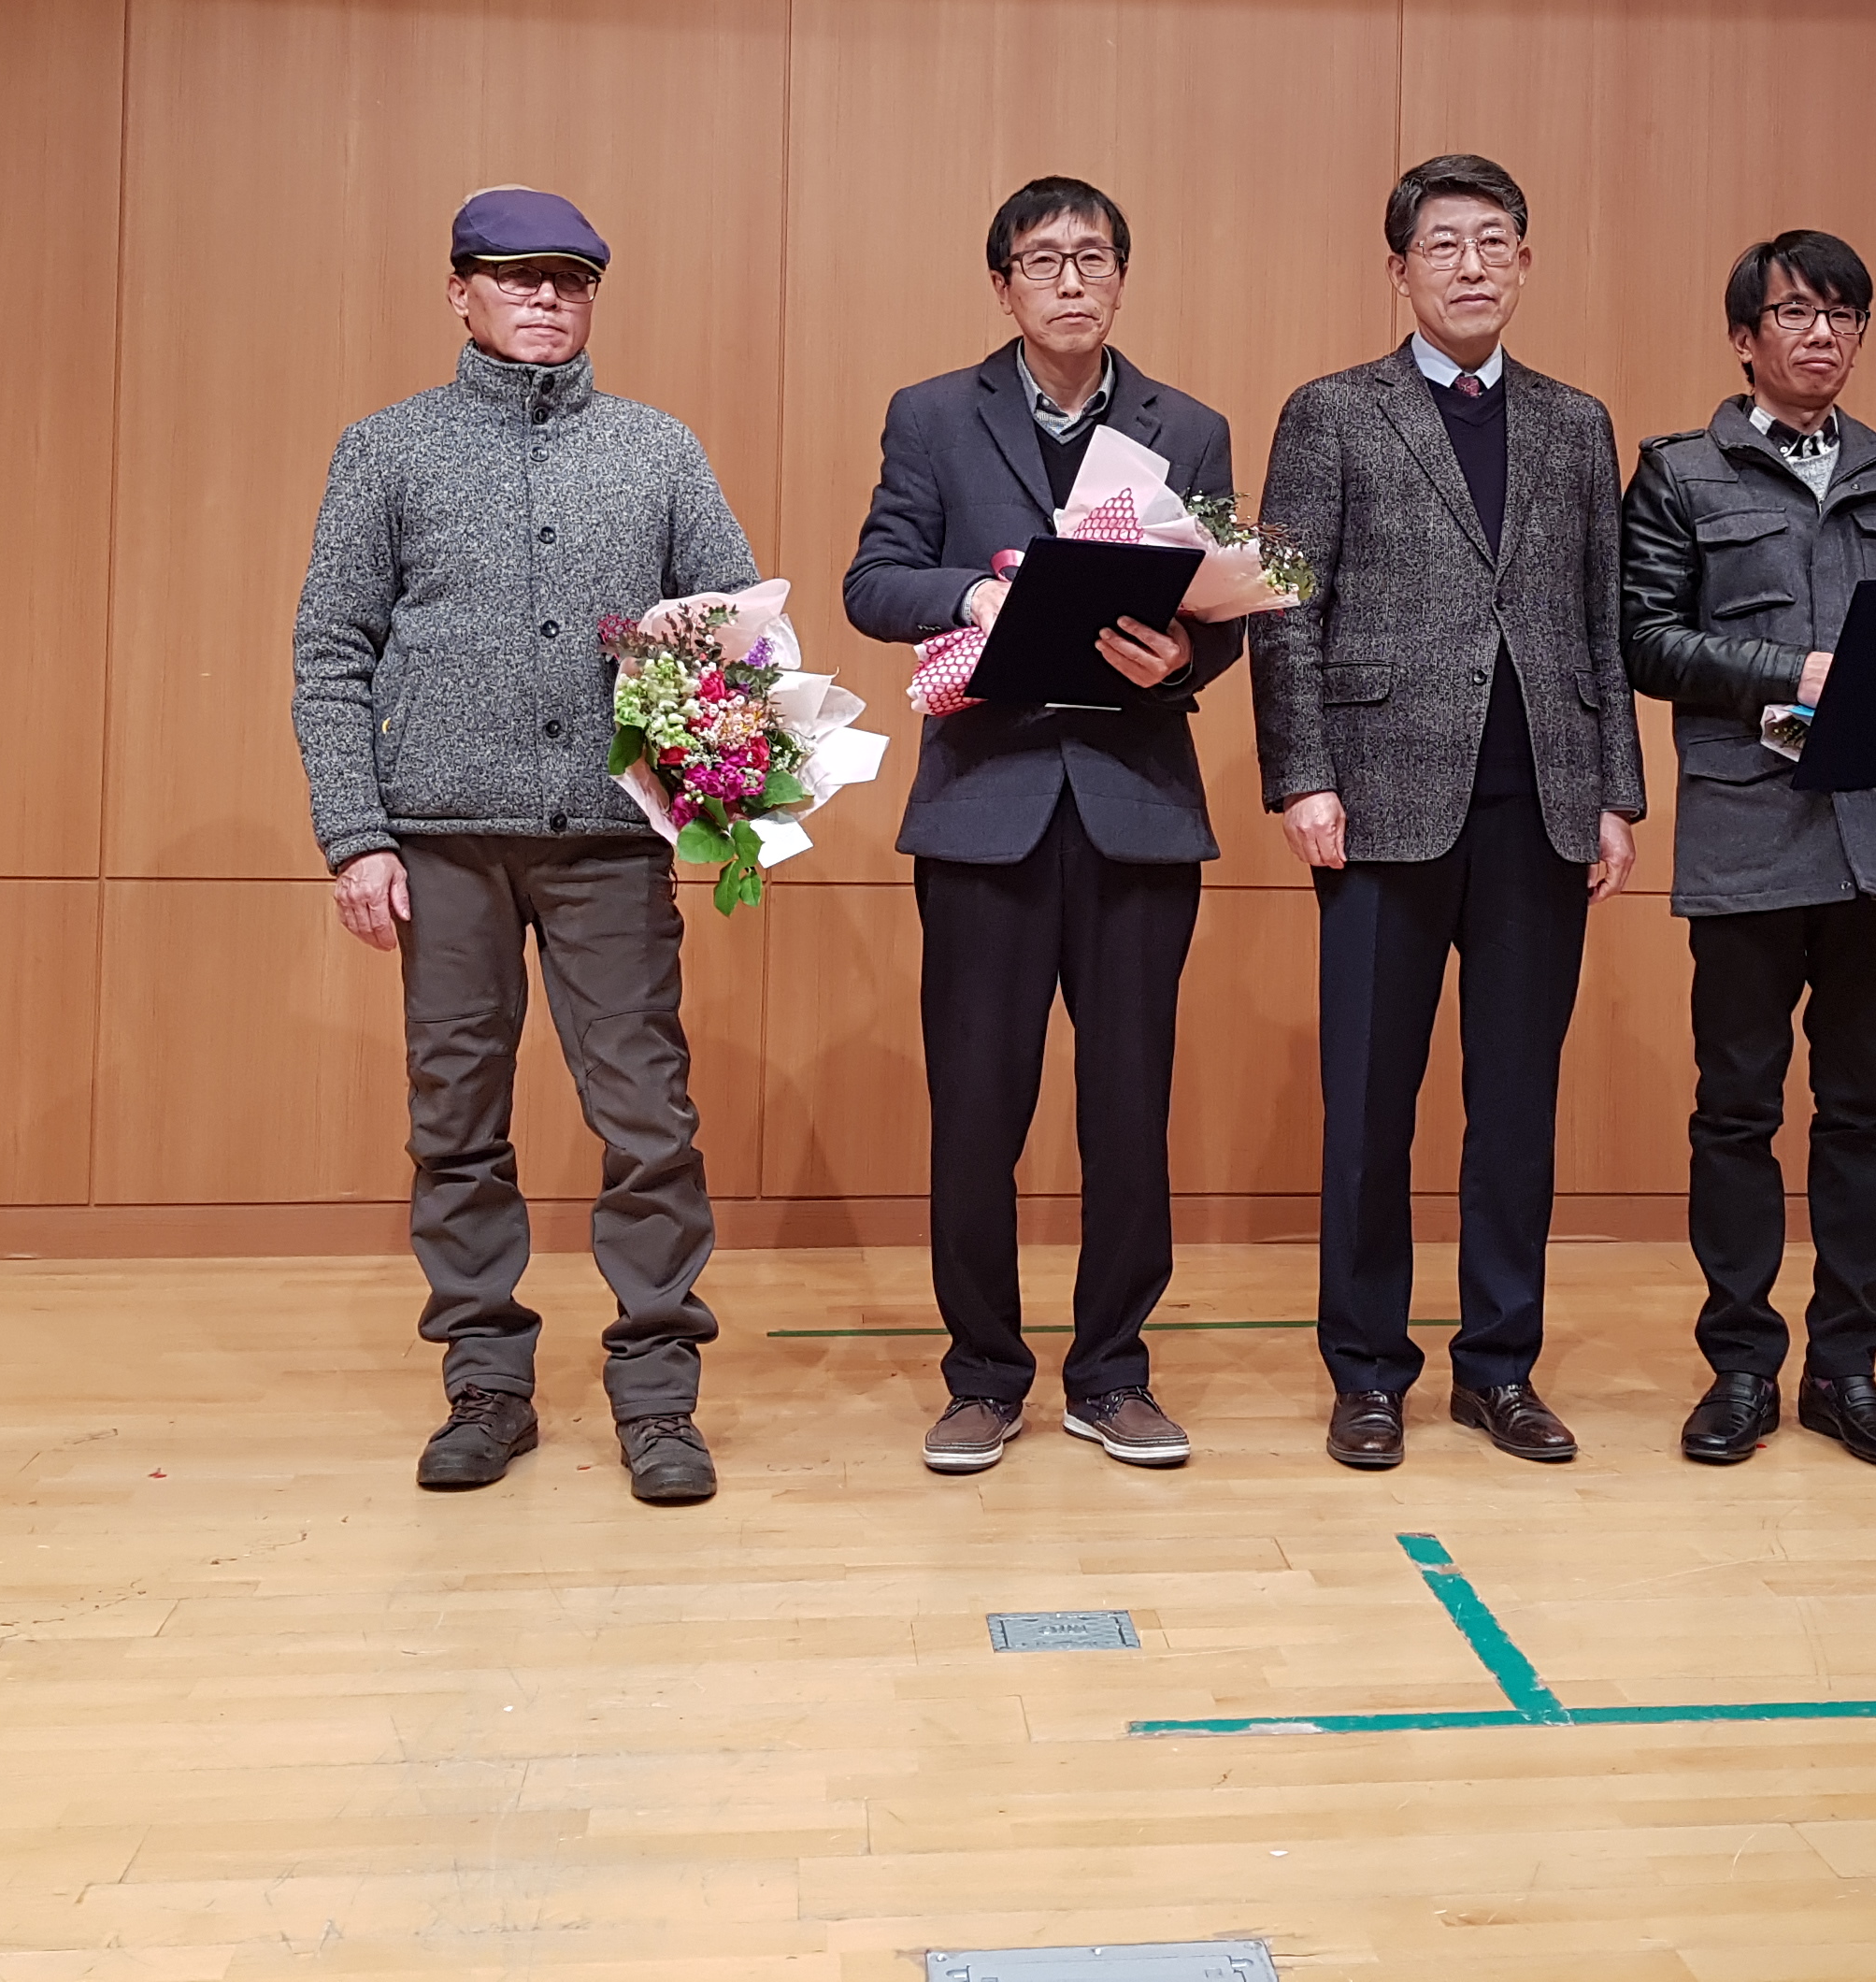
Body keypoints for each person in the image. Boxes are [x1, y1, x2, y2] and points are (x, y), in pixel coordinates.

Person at [293, 186, 758, 1506]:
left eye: (570, 279)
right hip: (440, 844)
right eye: (516, 276)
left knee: (649, 1120)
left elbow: (735, 629)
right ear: (462, 294)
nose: (547, 297)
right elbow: (330, 652)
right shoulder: (386, 450)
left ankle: (658, 1396)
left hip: (610, 844)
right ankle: (487, 1384)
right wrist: (356, 836)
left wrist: (724, 788)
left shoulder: (657, 451)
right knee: (456, 1121)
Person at [1249, 153, 1643, 1471]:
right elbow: (1283, 609)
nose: (1470, 266)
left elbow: (1601, 618)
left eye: (1493, 242)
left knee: (1516, 1107)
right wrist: (1302, 775)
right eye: (1443, 245)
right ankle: (1368, 1373)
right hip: (1377, 804)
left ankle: (1499, 1368)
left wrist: (1616, 792)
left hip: (1543, 805)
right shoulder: (1332, 412)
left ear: (1525, 261)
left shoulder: (1578, 423)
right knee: (1371, 1106)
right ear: (1399, 270)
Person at [845, 178, 1240, 1477]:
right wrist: (976, 594)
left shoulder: (1189, 427)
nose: (1071, 281)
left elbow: (1222, 618)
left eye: (1094, 258)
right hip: (986, 807)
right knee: (976, 1108)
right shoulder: (931, 416)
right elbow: (872, 581)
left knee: (1129, 1109)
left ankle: (1113, 1374)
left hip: (1135, 808)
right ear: (1003, 283)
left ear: (1122, 276)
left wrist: (1179, 659)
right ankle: (983, 1376)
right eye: (1043, 260)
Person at [1618, 230, 1876, 1472]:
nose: (1822, 334)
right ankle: (1740, 1367)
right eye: (1794, 312)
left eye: (1843, 314)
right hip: (1750, 831)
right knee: (1736, 1110)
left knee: (1863, 1110)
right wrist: (1793, 670)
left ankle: (1846, 1371)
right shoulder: (1680, 470)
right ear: (1745, 337)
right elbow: (1646, 639)